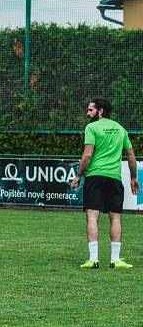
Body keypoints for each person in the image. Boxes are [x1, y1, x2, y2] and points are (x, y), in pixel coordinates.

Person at [70, 97, 139, 269]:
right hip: (114, 178)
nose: (87, 113)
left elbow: (87, 155)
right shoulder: (120, 129)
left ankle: (93, 259)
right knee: (115, 217)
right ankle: (115, 260)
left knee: (92, 216)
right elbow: (130, 155)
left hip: (95, 177)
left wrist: (78, 176)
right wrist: (133, 177)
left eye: (91, 110)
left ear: (100, 111)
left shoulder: (92, 128)